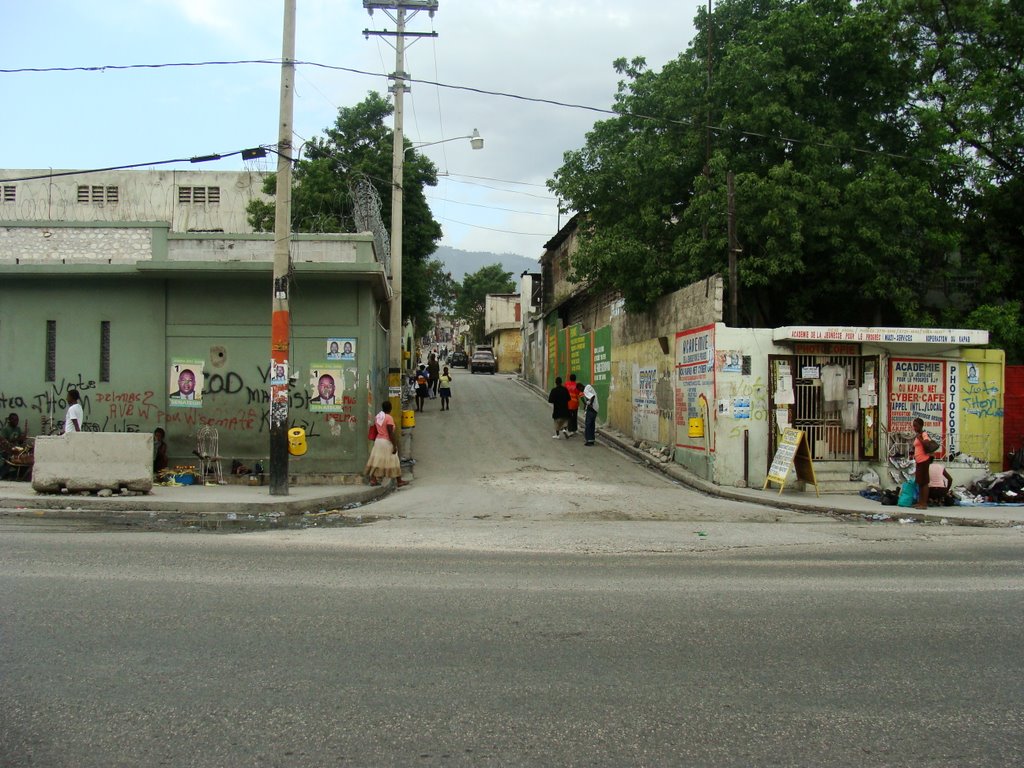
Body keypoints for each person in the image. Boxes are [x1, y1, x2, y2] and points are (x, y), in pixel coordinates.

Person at [364, 400, 408, 488]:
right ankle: (399, 481)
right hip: (386, 441)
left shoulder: (378, 416)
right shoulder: (389, 418)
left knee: (376, 460)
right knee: (394, 460)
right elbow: (390, 432)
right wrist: (394, 445)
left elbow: (376, 428)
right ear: (390, 408)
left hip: (378, 441)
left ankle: (373, 479)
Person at [912, 417, 934, 510]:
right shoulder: (918, 435)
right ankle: (920, 502)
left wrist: (919, 438)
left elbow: (926, 444)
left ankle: (924, 503)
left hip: (924, 460)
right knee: (920, 482)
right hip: (919, 461)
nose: (914, 428)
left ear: (921, 426)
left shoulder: (923, 434)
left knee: (924, 482)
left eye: (916, 426)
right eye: (913, 426)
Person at [0, 413, 25, 480]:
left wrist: (22, 439)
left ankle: (19, 475)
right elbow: (4, 442)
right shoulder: (5, 429)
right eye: (14, 420)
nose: (16, 422)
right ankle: (3, 475)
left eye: (17, 420)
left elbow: (20, 442)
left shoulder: (18, 429)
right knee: (8, 457)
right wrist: (17, 439)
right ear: (10, 420)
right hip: (7, 450)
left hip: (16, 449)